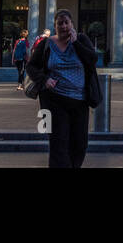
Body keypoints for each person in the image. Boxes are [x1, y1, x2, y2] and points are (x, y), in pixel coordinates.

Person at [26, 9, 101, 169]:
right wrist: (44, 79)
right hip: (54, 101)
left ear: (72, 24)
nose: (64, 26)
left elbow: (92, 59)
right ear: (55, 26)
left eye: (67, 22)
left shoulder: (81, 39)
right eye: (60, 23)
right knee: (58, 144)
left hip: (80, 101)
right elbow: (31, 66)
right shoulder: (47, 43)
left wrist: (76, 43)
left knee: (80, 144)